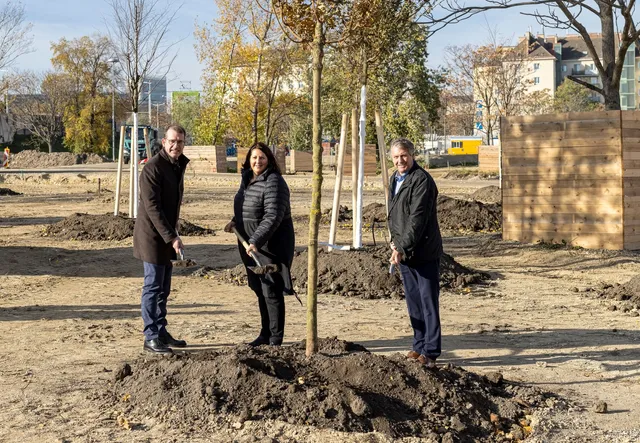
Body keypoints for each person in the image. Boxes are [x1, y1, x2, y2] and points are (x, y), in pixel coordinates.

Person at [224, 142, 295, 347]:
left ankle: (275, 338)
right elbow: (246, 207)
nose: (257, 161)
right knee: (259, 287)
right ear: (248, 160)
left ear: (269, 160)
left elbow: (273, 215)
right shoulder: (247, 179)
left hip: (270, 244)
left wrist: (256, 240)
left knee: (271, 289)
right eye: (254, 157)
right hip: (248, 242)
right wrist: (235, 220)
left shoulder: (274, 182)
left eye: (262, 157)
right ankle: (264, 334)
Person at [133, 124, 190, 355]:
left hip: (166, 235)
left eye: (180, 142)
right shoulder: (153, 168)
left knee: (164, 288)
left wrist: (173, 233)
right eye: (172, 141)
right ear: (164, 142)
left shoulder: (176, 165)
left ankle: (161, 331)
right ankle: (151, 336)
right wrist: (172, 237)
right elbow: (153, 208)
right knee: (153, 287)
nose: (176, 145)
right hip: (152, 237)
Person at [387, 138, 443, 369]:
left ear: (412, 155)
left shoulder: (422, 180)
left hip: (424, 250)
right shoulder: (396, 179)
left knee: (428, 302)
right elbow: (397, 216)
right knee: (413, 302)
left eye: (404, 156)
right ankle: (418, 344)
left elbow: (416, 220)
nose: (400, 160)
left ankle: (430, 351)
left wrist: (401, 247)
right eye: (396, 157)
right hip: (405, 251)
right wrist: (394, 243)